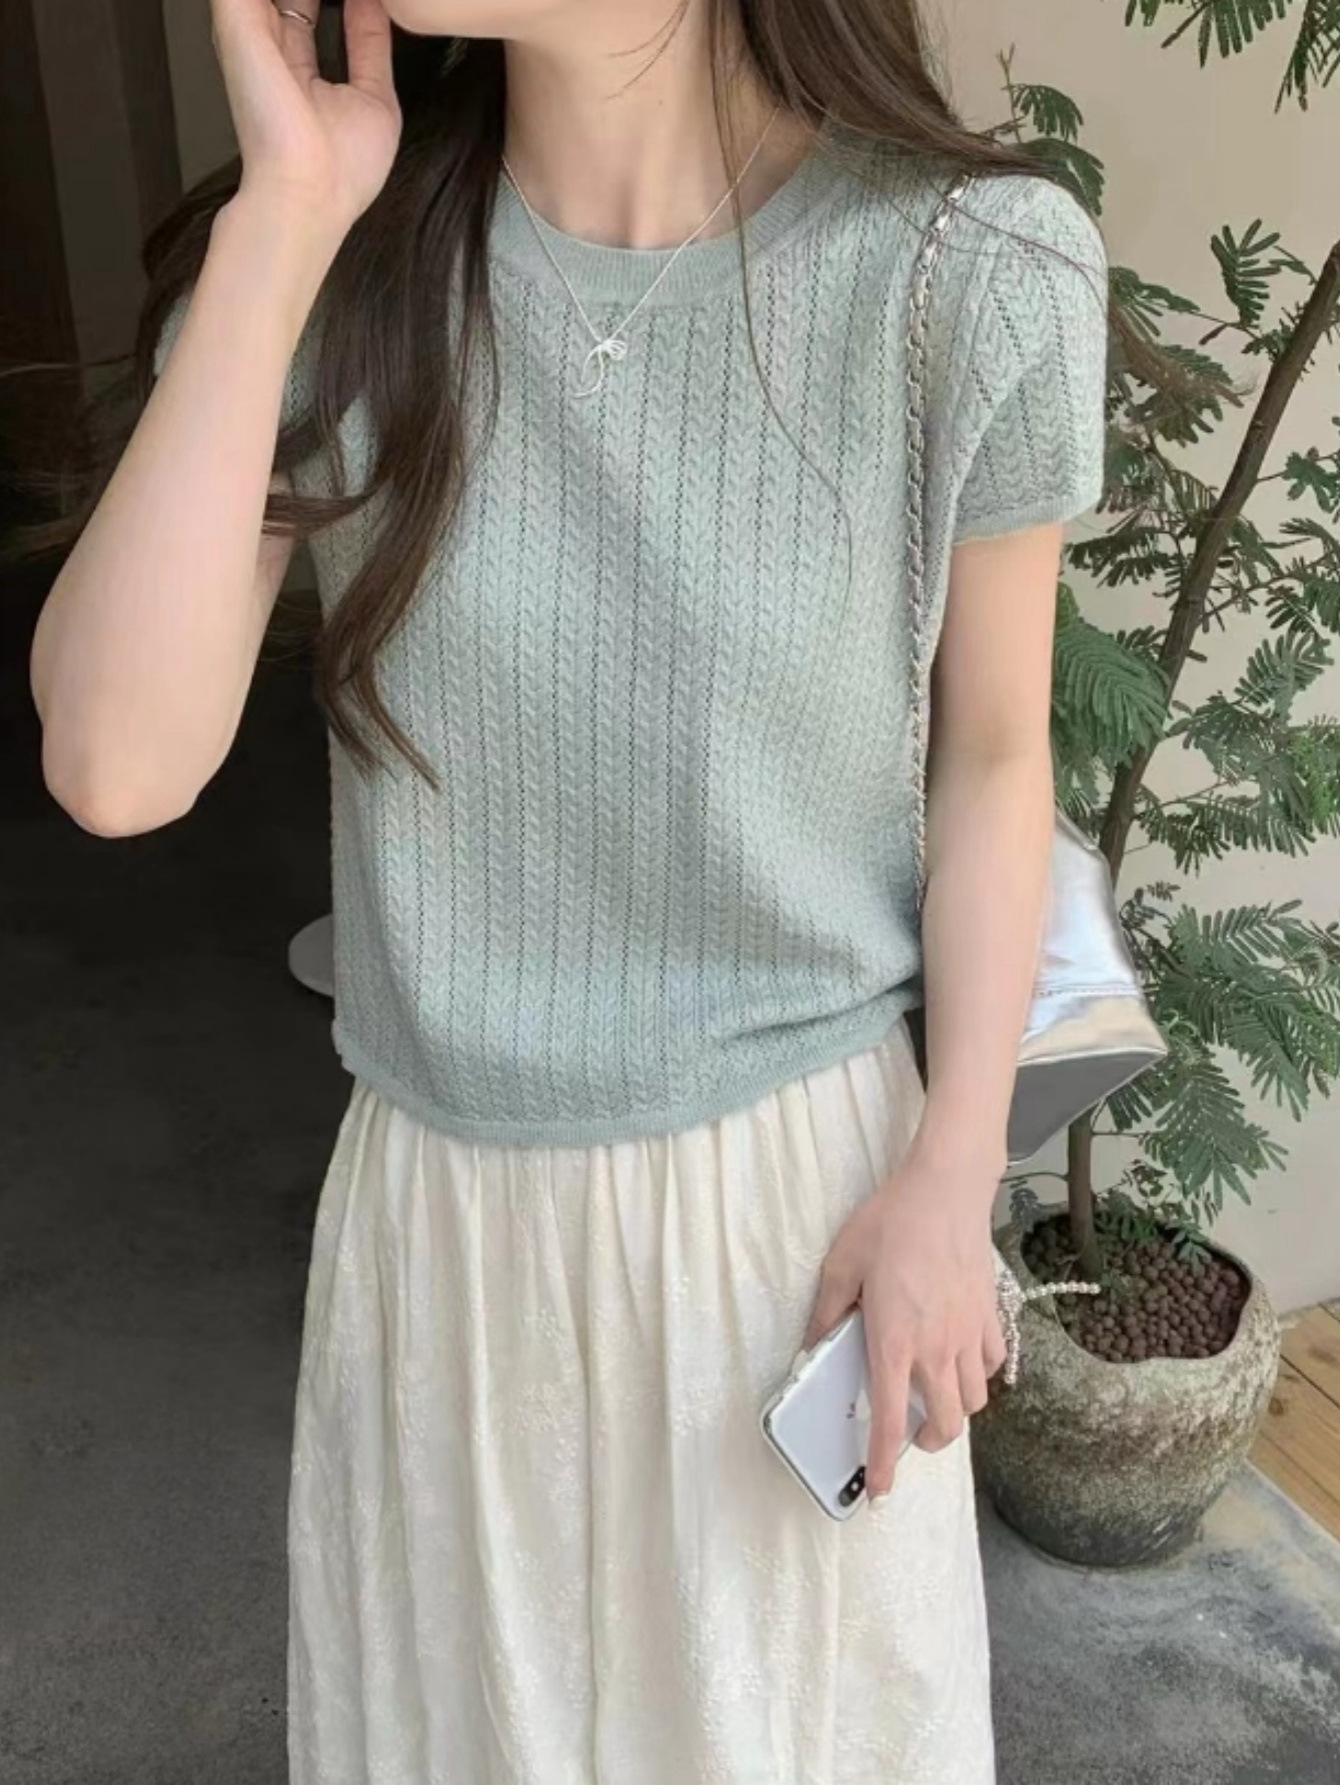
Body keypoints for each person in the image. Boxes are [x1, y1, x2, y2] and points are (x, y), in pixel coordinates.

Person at [29, 0, 1111, 1778]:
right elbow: (111, 762)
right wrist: (284, 221)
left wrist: (955, 1170)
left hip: (797, 1227)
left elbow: (994, 759)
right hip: (446, 1244)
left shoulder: (965, 271)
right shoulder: (344, 267)